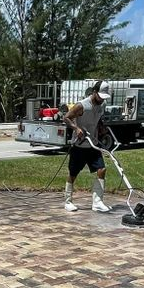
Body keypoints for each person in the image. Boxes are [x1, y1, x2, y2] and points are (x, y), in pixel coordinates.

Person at [62, 80, 111, 213]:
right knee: (73, 173)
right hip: (79, 144)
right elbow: (66, 117)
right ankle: (68, 201)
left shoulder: (102, 105)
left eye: (104, 97)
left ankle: (98, 202)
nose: (102, 99)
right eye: (100, 96)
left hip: (93, 144)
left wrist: (101, 128)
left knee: (101, 169)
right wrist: (76, 128)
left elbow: (98, 119)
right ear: (94, 92)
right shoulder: (81, 105)